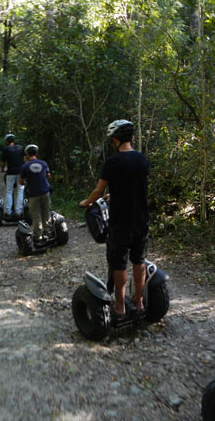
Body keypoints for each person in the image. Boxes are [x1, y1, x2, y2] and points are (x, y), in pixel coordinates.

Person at [79, 120, 149, 318]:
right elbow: (134, 186)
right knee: (139, 259)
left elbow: (98, 190)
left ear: (115, 139)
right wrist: (114, 195)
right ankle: (139, 301)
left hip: (121, 222)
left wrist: (87, 202)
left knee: (119, 263)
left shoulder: (112, 162)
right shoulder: (142, 159)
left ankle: (120, 306)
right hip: (142, 219)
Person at [19, 145, 51, 247]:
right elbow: (48, 175)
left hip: (33, 194)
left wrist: (27, 183)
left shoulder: (25, 166)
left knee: (36, 215)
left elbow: (21, 181)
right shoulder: (44, 163)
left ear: (27, 154)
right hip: (45, 192)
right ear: (36, 153)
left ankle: (38, 237)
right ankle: (48, 233)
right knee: (46, 212)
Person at [1, 134, 25, 219]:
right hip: (20, 172)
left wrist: (2, 169)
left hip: (10, 172)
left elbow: (3, 162)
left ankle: (8, 211)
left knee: (9, 191)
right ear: (13, 141)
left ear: (7, 141)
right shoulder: (21, 148)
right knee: (20, 191)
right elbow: (24, 159)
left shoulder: (6, 149)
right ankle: (18, 211)